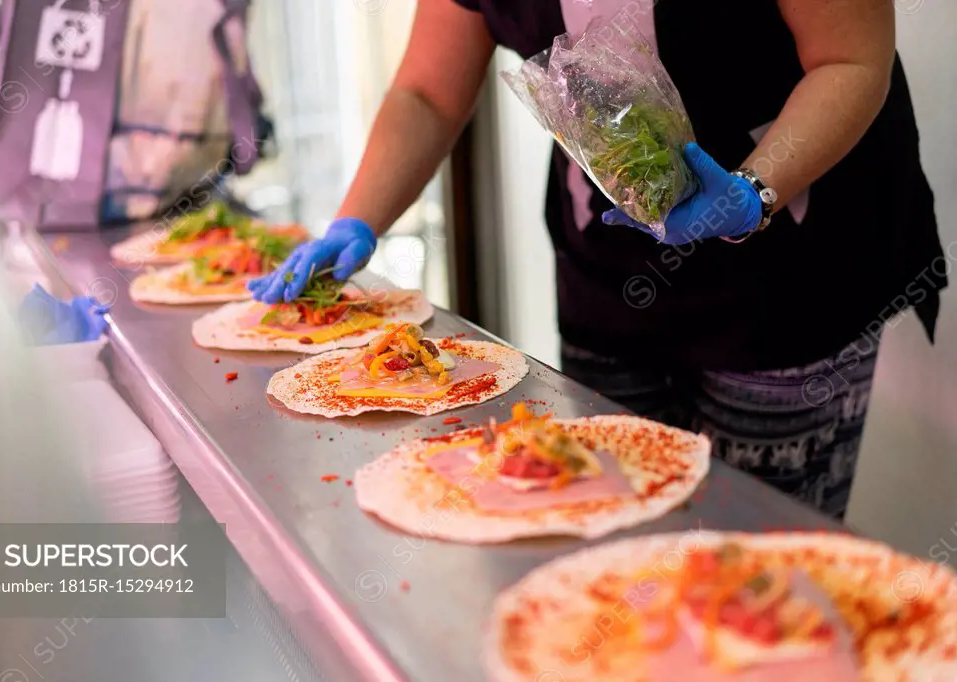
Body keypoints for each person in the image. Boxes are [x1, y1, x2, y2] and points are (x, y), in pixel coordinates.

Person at [249, 0, 947, 519]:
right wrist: (355, 217)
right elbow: (428, 91)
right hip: (612, 277)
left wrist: (757, 190)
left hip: (797, 264)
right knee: (606, 536)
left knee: (757, 564)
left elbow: (851, 60)